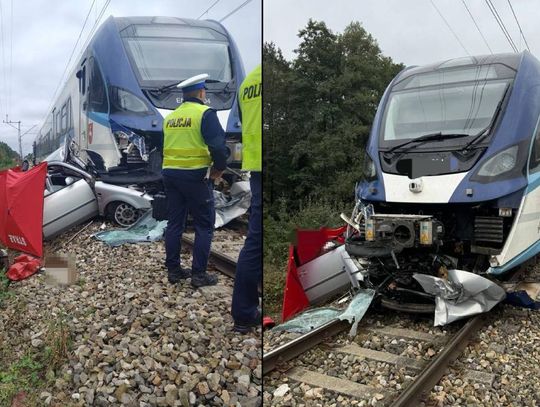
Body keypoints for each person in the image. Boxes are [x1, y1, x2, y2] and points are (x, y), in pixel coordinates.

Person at [162, 73, 228, 288]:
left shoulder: (170, 117)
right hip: (195, 176)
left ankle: (173, 271)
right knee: (204, 225)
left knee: (174, 224)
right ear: (201, 93)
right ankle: (198, 275)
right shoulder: (205, 113)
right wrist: (219, 168)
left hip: (170, 174)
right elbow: (218, 147)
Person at [231, 64, 262, 333]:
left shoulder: (247, 83)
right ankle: (245, 312)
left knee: (254, 242)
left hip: (257, 168)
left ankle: (244, 312)